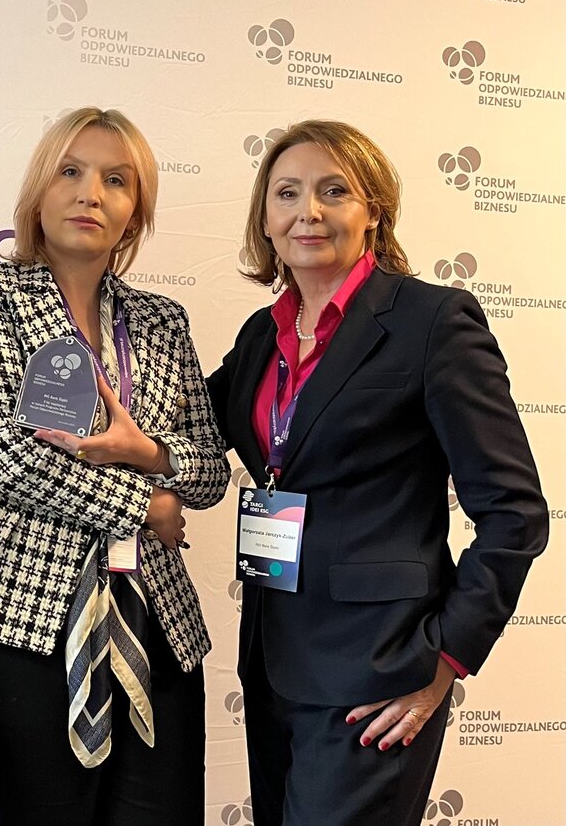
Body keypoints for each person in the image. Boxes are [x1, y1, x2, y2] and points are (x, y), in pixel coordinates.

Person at [206, 120, 549, 826]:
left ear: (374, 211)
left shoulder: (432, 322)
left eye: (334, 191)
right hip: (273, 663)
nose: (309, 211)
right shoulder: (261, 336)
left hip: (379, 673)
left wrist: (443, 661)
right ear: (264, 219)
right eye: (287, 193)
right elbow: (187, 427)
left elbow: (514, 513)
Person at [0, 107, 229, 826]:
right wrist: (147, 504)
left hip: (158, 625)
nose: (90, 193)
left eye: (116, 180)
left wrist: (148, 452)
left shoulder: (162, 321)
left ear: (136, 212)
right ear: (38, 193)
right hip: (24, 625)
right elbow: (3, 459)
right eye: (70, 172)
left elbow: (208, 473)